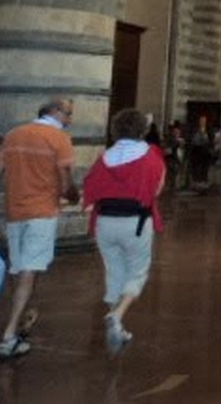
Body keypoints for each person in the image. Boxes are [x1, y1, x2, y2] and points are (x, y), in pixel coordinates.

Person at [0, 98, 80, 360]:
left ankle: (23, 314)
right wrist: (76, 196)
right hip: (42, 213)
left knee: (20, 268)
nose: (69, 120)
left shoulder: (13, 135)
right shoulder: (59, 139)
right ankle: (9, 336)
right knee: (29, 270)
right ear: (53, 112)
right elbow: (67, 186)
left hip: (15, 212)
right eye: (67, 114)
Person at [81, 108, 166, 353]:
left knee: (114, 271)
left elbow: (90, 186)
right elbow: (156, 190)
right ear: (143, 130)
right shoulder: (151, 157)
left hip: (105, 222)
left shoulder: (105, 157)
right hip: (136, 222)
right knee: (137, 272)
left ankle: (116, 324)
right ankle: (117, 315)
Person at [187, 115, 214, 190]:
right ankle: (197, 183)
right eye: (201, 120)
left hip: (205, 152)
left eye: (204, 121)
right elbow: (192, 140)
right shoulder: (195, 130)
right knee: (196, 167)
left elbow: (211, 140)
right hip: (197, 151)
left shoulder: (208, 130)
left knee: (204, 168)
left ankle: (203, 183)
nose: (202, 122)